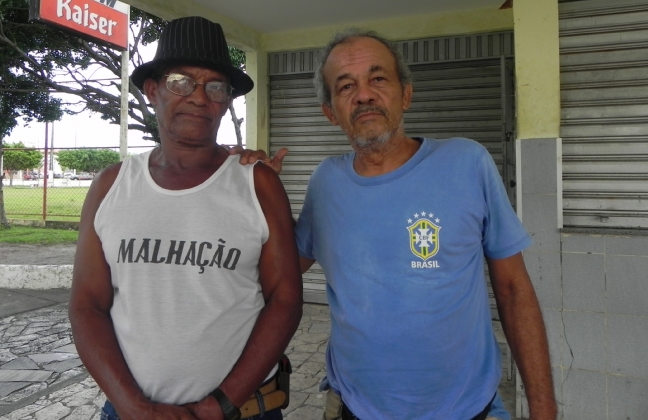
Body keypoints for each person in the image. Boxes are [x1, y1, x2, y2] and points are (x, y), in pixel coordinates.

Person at [237, 29, 557, 420]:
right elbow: (287, 265)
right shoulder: (326, 181)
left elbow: (514, 290)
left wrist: (543, 409)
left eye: (378, 79)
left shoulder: (467, 163)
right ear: (330, 112)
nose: (364, 95)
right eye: (346, 86)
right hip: (355, 407)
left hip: (468, 409)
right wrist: (258, 193)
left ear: (405, 94)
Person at [69, 16, 303, 420]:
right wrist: (133, 406)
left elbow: (285, 300)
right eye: (181, 82)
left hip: (239, 413)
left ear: (226, 101)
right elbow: (87, 305)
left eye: (215, 86)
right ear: (152, 90)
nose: (199, 97)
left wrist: (222, 403)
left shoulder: (257, 184)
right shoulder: (111, 186)